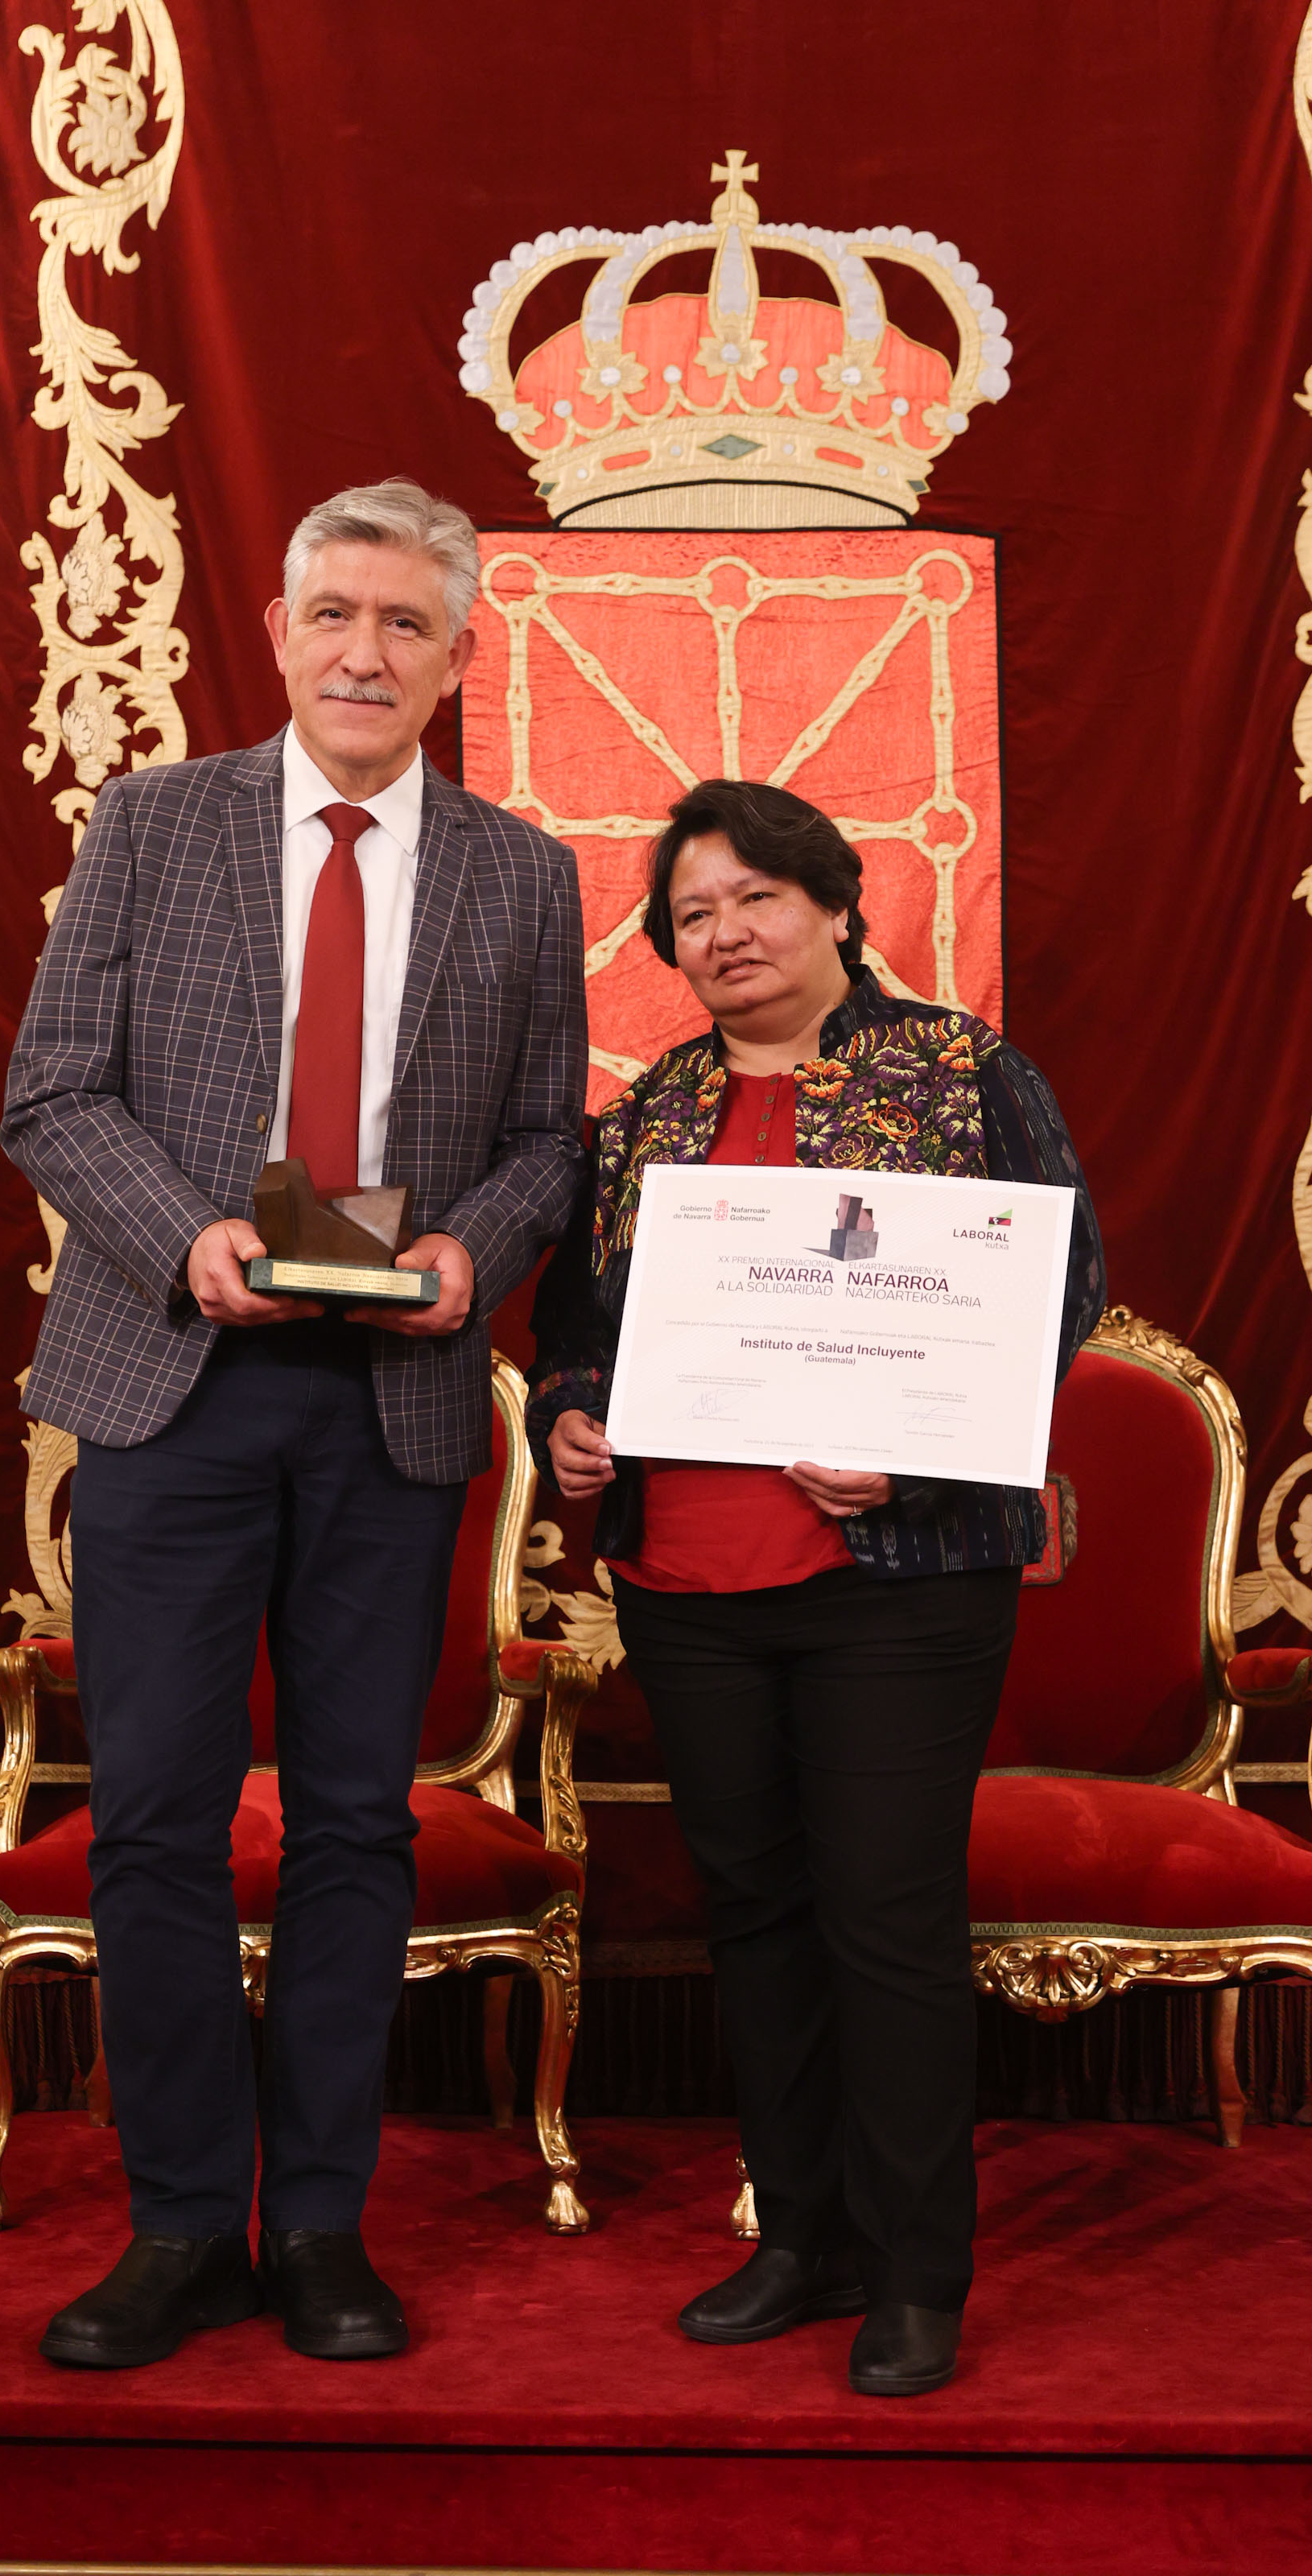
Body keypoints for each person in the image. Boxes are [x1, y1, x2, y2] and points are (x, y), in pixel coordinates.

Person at [2, 478, 586, 2369]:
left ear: (456, 657)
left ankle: (321, 2223)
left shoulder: (521, 871)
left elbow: (546, 1140)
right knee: (155, 1823)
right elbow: (50, 1092)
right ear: (274, 632)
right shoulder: (153, 823)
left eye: (404, 623)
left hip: (391, 1407)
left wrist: (473, 1246)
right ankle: (182, 2225)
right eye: (333, 613)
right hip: (170, 1381)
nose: (362, 650)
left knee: (353, 1824)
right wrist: (189, 1239)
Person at [527, 778, 1103, 2397]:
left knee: (885, 1918)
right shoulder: (645, 1114)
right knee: (757, 1918)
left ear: (837, 905)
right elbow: (571, 1323)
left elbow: (1059, 1289)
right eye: (691, 915)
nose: (725, 934)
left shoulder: (960, 1073)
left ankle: (915, 2271)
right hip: (686, 1578)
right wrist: (571, 1411)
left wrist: (917, 1453)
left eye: (755, 898)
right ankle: (800, 2236)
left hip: (895, 1578)